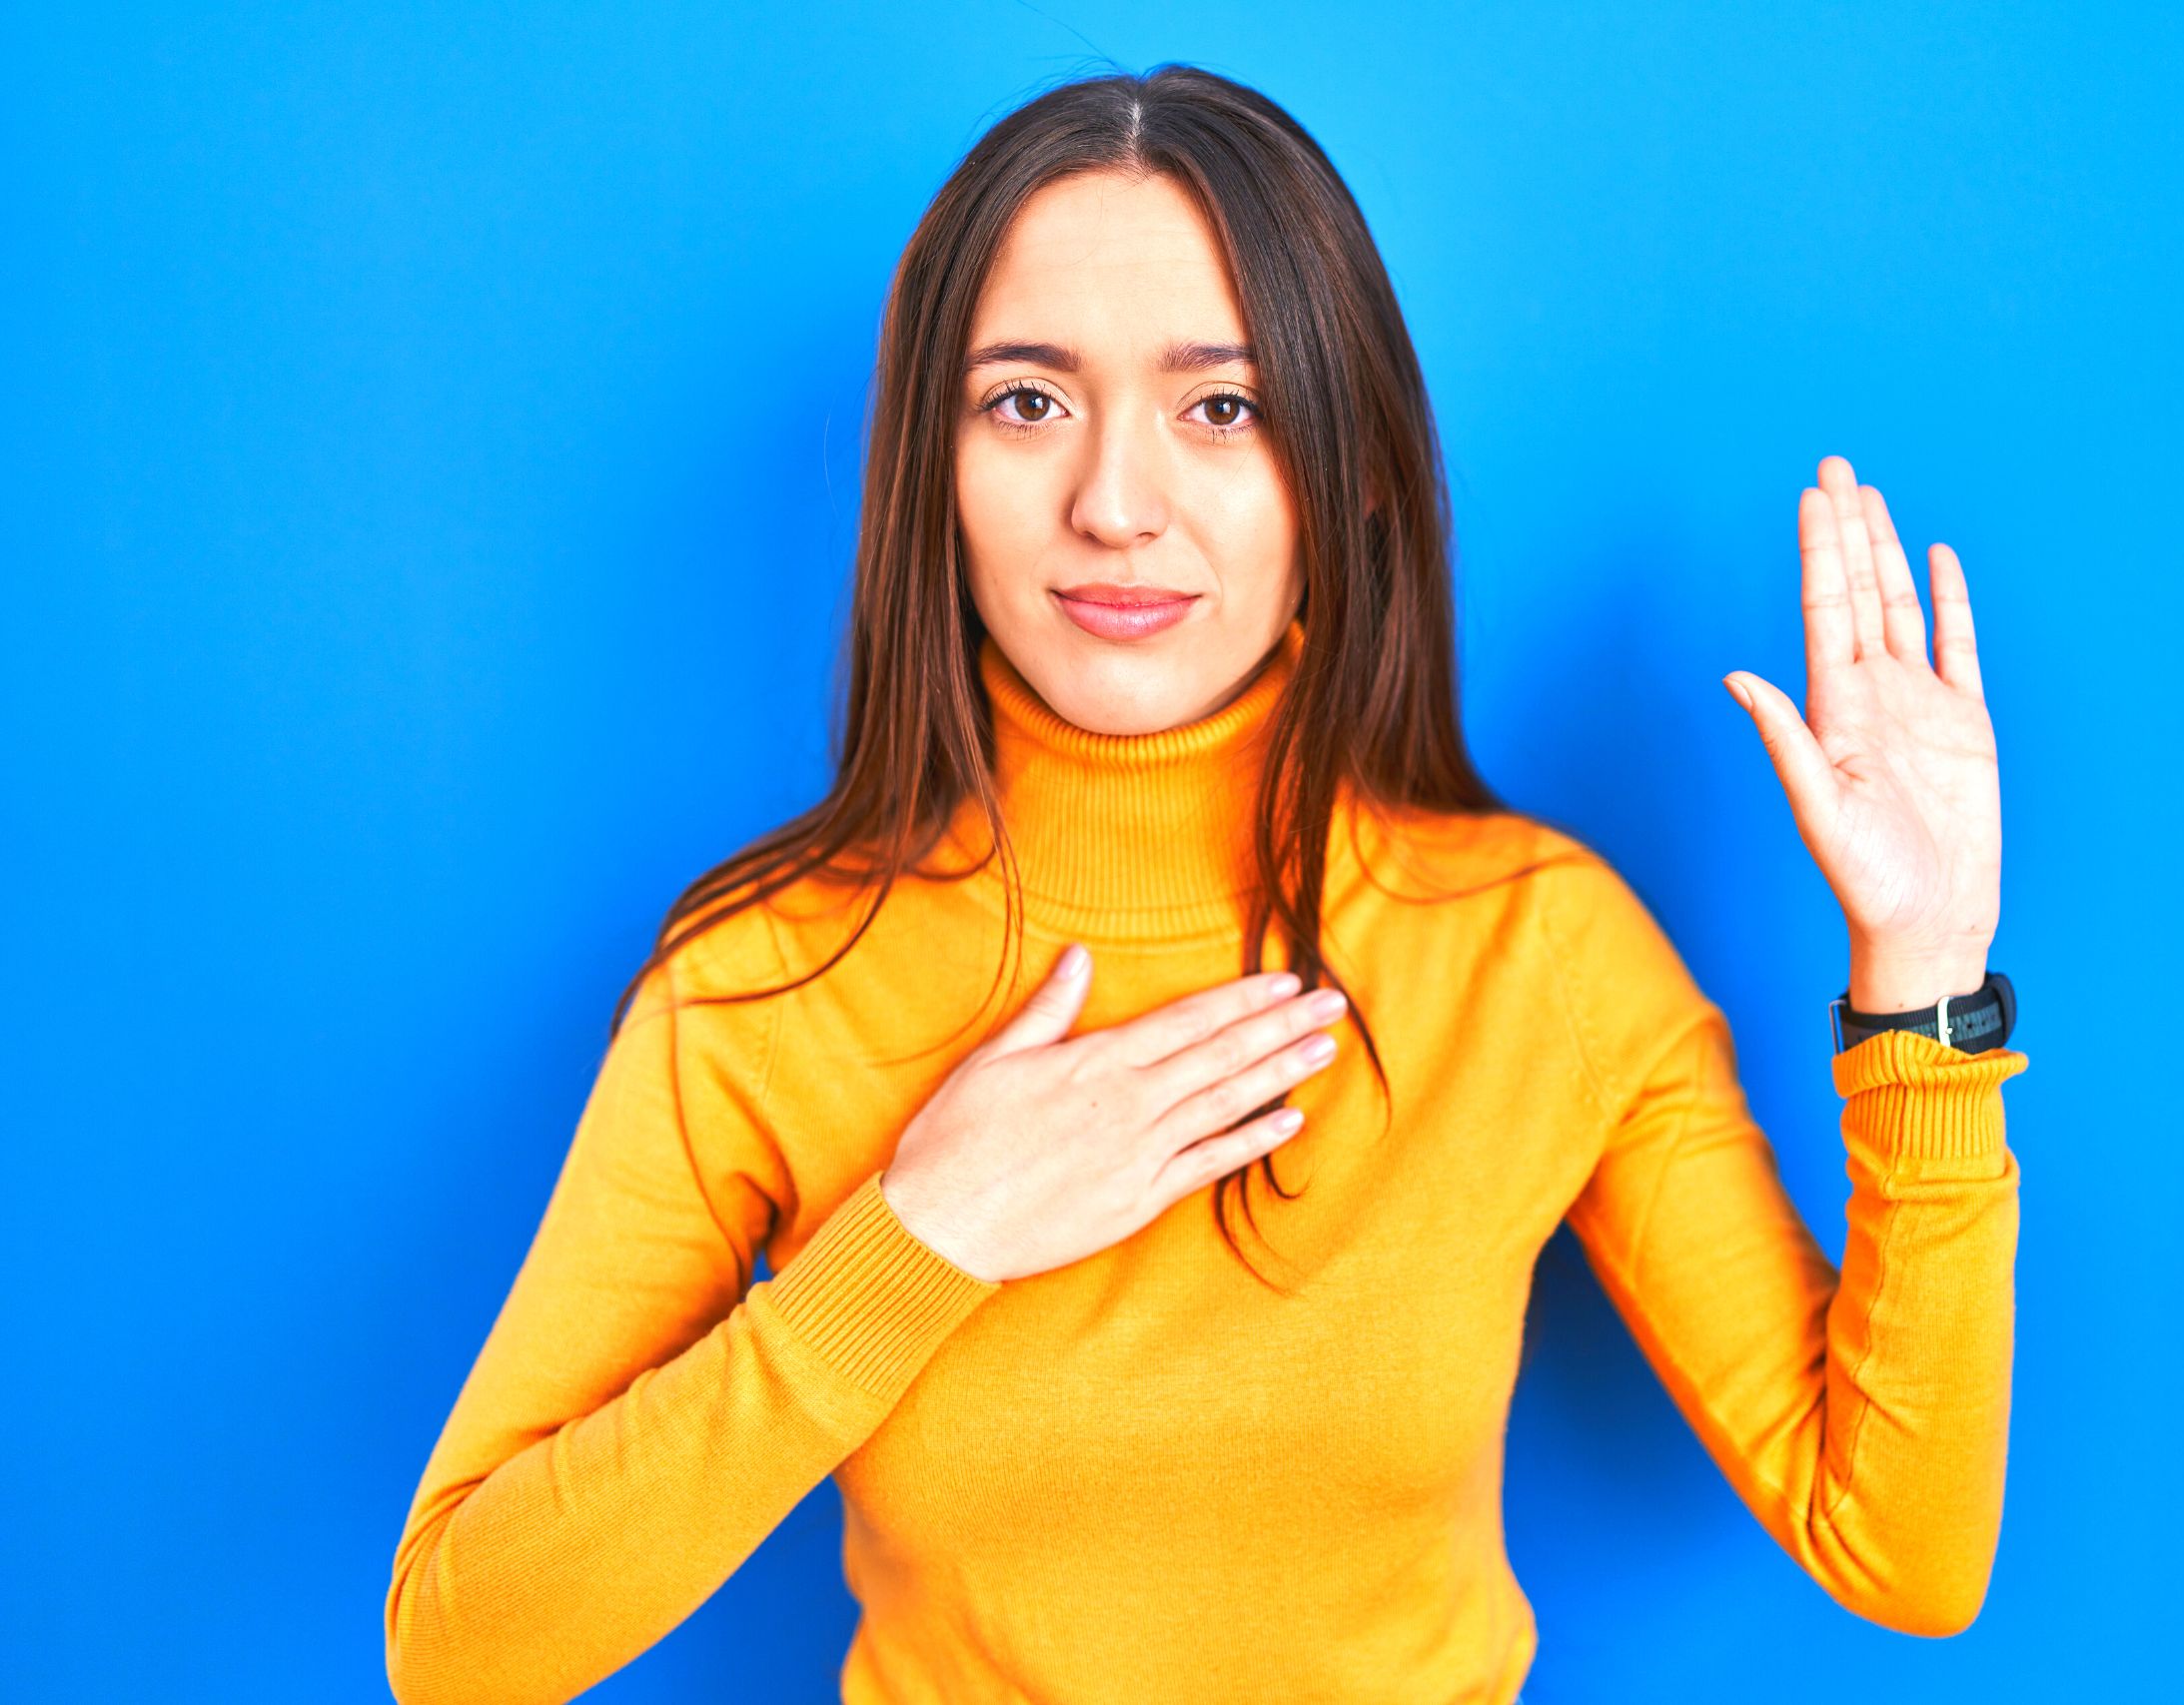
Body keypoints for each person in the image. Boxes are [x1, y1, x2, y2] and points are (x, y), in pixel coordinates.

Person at [383, 62, 2029, 1705]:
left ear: (1352, 472)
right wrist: (917, 1240)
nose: (1113, 504)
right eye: (1025, 401)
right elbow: (456, 1644)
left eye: (1220, 408)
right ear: (930, 476)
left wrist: (1928, 970)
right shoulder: (766, 986)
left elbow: (1902, 1548)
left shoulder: (1537, 952)